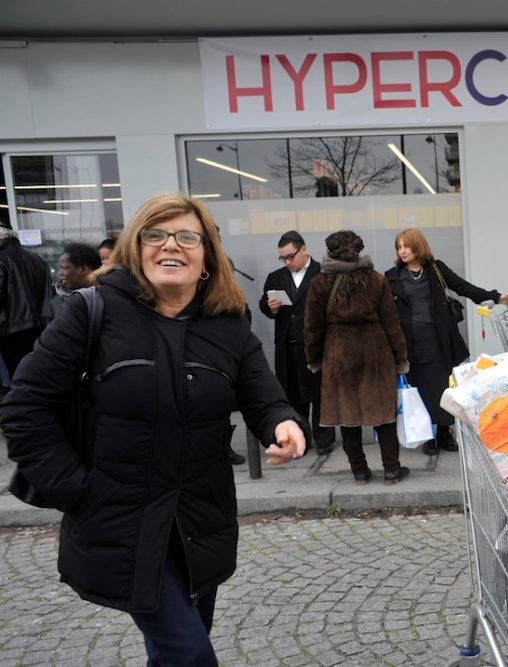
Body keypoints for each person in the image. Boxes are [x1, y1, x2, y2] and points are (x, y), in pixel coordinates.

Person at [0, 193, 307, 666]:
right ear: (135, 247)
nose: (171, 245)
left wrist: (283, 423)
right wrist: (77, 489)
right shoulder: (92, 312)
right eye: (156, 234)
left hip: (200, 519)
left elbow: (262, 394)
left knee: (176, 648)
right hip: (122, 520)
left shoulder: (227, 325)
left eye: (188, 236)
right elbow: (25, 407)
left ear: (206, 254)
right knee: (190, 655)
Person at [384, 228, 508, 455]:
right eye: (399, 246)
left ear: (418, 246)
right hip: (410, 341)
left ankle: (445, 433)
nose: (402, 250)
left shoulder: (436, 269)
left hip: (438, 338)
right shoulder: (392, 276)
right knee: (421, 388)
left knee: (443, 385)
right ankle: (429, 437)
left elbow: (462, 287)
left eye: (406, 245)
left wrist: (495, 297)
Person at [304, 230, 411, 484]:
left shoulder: (320, 283)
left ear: (330, 252)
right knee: (383, 414)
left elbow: (312, 327)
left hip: (338, 354)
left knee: (347, 416)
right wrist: (400, 358)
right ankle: (391, 469)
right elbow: (391, 323)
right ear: (358, 250)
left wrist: (314, 359)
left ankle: (359, 471)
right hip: (376, 352)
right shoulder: (376, 280)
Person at [259, 231, 335, 456]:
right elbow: (265, 304)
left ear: (304, 249)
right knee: (292, 394)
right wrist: (270, 306)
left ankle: (324, 439)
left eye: (290, 256)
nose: (287, 262)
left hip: (316, 344)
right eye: (283, 258)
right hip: (287, 344)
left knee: (319, 392)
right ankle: (301, 437)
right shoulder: (276, 276)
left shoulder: (323, 273)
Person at [0, 226, 53, 378]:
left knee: (18, 375)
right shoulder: (37, 259)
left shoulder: (2, 259)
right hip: (40, 323)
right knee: (37, 370)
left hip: (11, 327)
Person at [52, 242, 101, 317]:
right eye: (60, 268)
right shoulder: (57, 301)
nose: (60, 273)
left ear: (84, 269)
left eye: (65, 268)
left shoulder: (104, 297)